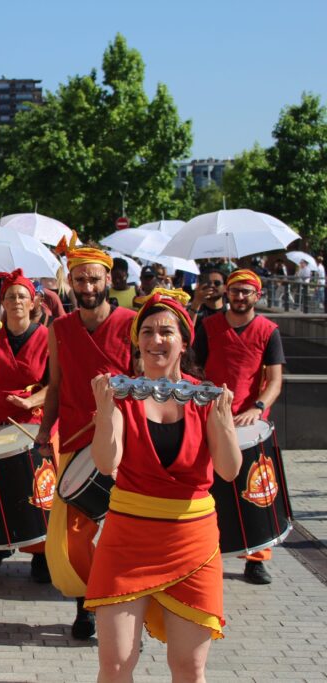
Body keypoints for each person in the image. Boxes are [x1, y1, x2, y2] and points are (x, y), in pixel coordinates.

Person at [86, 289, 241, 683]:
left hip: (192, 541)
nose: (157, 340)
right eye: (148, 332)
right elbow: (107, 464)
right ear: (137, 342)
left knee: (189, 668)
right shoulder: (120, 396)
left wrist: (223, 420)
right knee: (116, 663)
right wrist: (104, 413)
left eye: (167, 331)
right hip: (127, 539)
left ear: (183, 340)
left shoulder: (206, 397)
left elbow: (228, 470)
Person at [37, 232, 136, 640]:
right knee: (76, 535)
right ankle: (87, 601)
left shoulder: (132, 325)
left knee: (125, 528)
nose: (88, 288)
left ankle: (126, 604)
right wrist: (45, 429)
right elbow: (56, 386)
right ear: (70, 283)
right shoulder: (59, 327)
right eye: (80, 280)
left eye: (94, 280)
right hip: (76, 444)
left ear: (108, 280)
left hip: (127, 444)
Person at [193, 268, 285, 585]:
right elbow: (195, 365)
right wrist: (203, 390)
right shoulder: (208, 326)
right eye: (235, 291)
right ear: (227, 294)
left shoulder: (268, 330)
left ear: (257, 295)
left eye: (247, 291)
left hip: (248, 419)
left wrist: (257, 408)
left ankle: (257, 557)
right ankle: (208, 550)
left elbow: (274, 381)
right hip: (212, 413)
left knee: (254, 485)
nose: (240, 297)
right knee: (210, 485)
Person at [0, 270, 50, 582]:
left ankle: (41, 556)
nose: (16, 301)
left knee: (34, 490)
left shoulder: (46, 337)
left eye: (22, 297)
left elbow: (54, 386)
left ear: (32, 303)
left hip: (31, 423)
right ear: (2, 303)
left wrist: (31, 403)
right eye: (10, 297)